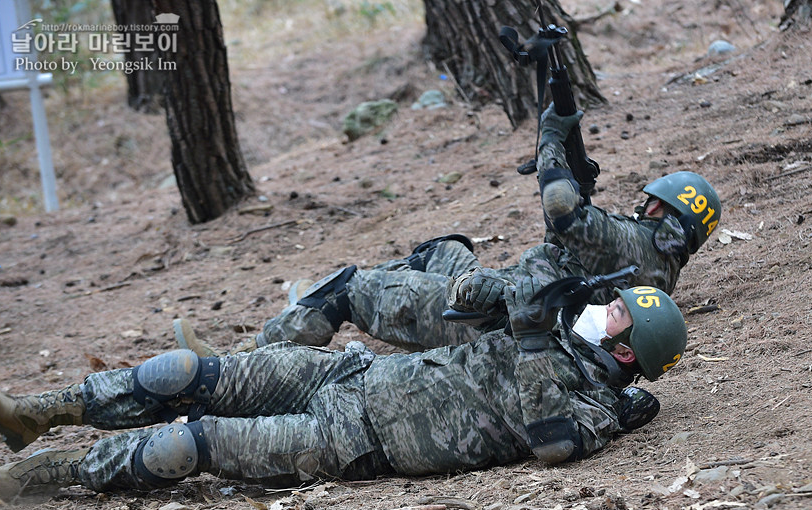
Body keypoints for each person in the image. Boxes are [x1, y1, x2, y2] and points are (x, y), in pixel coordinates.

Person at [0, 280, 686, 502]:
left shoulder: (596, 407)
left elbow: (554, 446)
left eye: (618, 311)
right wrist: (519, 294)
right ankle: (41, 415)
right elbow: (461, 300)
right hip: (350, 375)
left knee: (186, 445)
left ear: (626, 350)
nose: (605, 306)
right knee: (185, 373)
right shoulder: (554, 326)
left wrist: (532, 344)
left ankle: (39, 477)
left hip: (357, 442)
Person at [173, 104, 720, 356]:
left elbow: (562, 208)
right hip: (510, 297)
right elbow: (578, 243)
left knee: (348, 288)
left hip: (492, 321)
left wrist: (551, 141)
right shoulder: (655, 272)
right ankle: (316, 313)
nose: (640, 206)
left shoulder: (631, 244)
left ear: (660, 211)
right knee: (445, 250)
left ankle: (236, 359)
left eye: (648, 202)